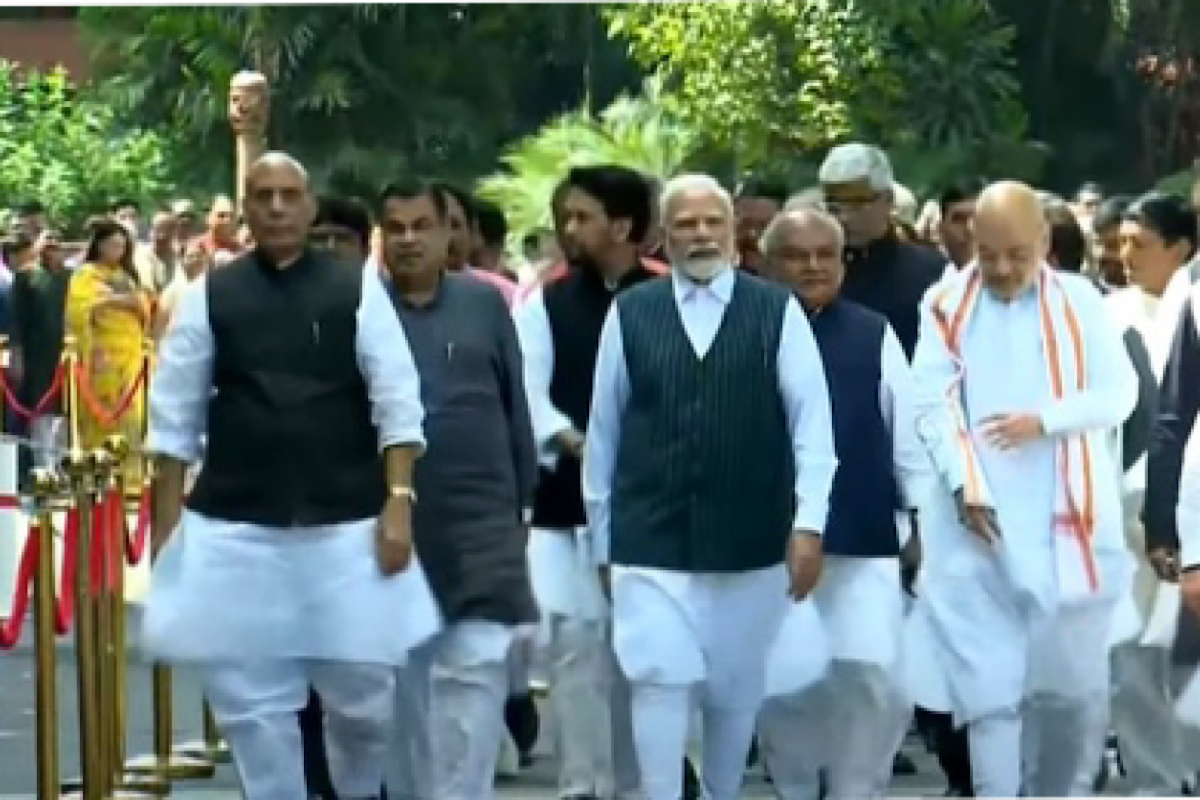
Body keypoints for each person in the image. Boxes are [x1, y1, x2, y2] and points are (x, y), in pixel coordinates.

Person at [141, 152, 440, 799]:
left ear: (309, 207)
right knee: (253, 711)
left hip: (347, 528)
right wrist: (167, 526)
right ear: (246, 208)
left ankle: (358, 791)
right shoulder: (207, 296)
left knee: (365, 699)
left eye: (289, 195)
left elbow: (398, 403)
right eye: (262, 195)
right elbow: (172, 419)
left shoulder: (356, 286)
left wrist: (398, 503)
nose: (276, 207)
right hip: (236, 530)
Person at [582, 173, 836, 800]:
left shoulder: (775, 310)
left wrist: (808, 524)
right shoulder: (631, 313)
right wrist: (602, 543)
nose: (699, 234)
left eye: (711, 222)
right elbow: (603, 432)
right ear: (664, 237)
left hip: (749, 544)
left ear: (732, 233)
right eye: (685, 223)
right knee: (658, 680)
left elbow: (813, 428)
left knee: (734, 691)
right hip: (650, 542)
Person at [911, 180, 1136, 799]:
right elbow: (929, 401)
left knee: (1067, 700)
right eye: (988, 254)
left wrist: (1047, 422)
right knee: (988, 696)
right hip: (975, 526)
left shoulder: (1081, 302)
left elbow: (1119, 394)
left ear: (1044, 241)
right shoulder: (943, 304)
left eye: (1017, 253)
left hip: (1068, 526)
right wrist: (963, 482)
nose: (1004, 269)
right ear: (967, 243)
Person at [755, 208, 930, 798]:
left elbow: (905, 434)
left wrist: (921, 521)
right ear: (768, 262)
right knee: (787, 686)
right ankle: (798, 788)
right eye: (796, 256)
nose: (811, 266)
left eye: (823, 255)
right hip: (770, 543)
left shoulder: (872, 331)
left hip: (863, 536)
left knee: (872, 673)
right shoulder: (746, 330)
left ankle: (860, 787)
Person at [377, 181, 538, 799]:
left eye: (423, 226)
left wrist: (521, 504)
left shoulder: (483, 305)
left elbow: (514, 407)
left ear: (452, 234)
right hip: (390, 530)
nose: (410, 239)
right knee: (402, 690)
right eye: (396, 228)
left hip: (481, 525)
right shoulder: (362, 311)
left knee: (475, 676)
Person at [514, 164, 662, 799]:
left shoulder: (670, 297)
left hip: (652, 506)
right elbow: (529, 392)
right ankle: (582, 785)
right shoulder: (544, 304)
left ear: (622, 226)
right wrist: (576, 442)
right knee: (575, 649)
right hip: (566, 504)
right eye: (565, 217)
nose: (568, 229)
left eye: (582, 217)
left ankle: (641, 783)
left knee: (646, 656)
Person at [64, 219, 153, 481]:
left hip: (131, 359)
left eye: (123, 246)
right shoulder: (86, 274)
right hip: (100, 356)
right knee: (102, 417)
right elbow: (81, 309)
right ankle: (98, 475)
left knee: (132, 417)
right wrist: (122, 300)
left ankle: (130, 479)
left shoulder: (127, 276)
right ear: (100, 245)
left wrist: (121, 300)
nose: (119, 250)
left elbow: (143, 307)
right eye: (114, 244)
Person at [8, 229, 70, 475]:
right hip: (35, 355)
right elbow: (15, 320)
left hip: (66, 354)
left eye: (56, 240)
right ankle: (42, 468)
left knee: (65, 408)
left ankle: (63, 466)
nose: (52, 245)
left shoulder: (69, 277)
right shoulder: (26, 277)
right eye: (47, 240)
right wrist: (17, 355)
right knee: (39, 406)